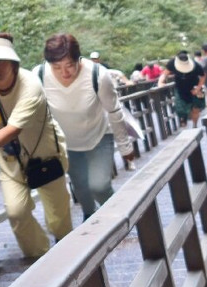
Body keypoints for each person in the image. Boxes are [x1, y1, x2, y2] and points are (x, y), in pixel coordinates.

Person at [0, 33, 72, 259]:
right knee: (16, 211)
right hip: (10, 161)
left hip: (45, 155)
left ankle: (66, 251)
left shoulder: (30, 85)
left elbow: (13, 130)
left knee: (59, 218)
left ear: (13, 62)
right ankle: (39, 255)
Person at [36, 33, 135, 220]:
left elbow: (114, 111)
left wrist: (125, 146)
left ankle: (118, 218)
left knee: (99, 185)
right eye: (56, 67)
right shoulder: (39, 76)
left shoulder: (98, 75)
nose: (64, 73)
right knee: (80, 187)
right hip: (67, 143)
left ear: (78, 59)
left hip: (99, 136)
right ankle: (90, 218)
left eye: (69, 66)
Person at [159, 51, 206, 127]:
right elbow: (165, 74)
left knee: (196, 108)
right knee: (180, 109)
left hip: (194, 87)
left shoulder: (195, 65)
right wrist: (161, 82)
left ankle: (195, 125)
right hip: (180, 88)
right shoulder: (172, 63)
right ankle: (183, 118)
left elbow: (203, 76)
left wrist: (198, 88)